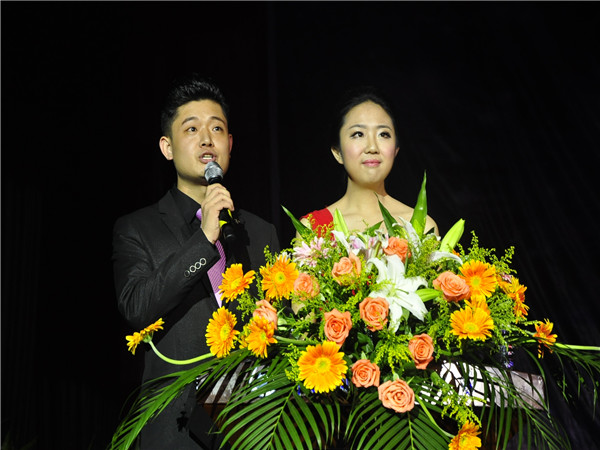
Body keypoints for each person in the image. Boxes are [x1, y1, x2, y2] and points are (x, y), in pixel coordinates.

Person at [112, 75, 280, 449]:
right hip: (175, 431)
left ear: (230, 144)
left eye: (216, 129)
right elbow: (137, 307)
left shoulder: (260, 231)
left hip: (251, 428)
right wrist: (203, 240)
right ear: (167, 147)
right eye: (192, 129)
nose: (207, 139)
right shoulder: (137, 228)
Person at [301, 87, 438, 236]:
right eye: (358, 134)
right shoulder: (313, 228)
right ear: (337, 152)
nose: (372, 147)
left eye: (383, 134)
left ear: (395, 150)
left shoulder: (421, 227)